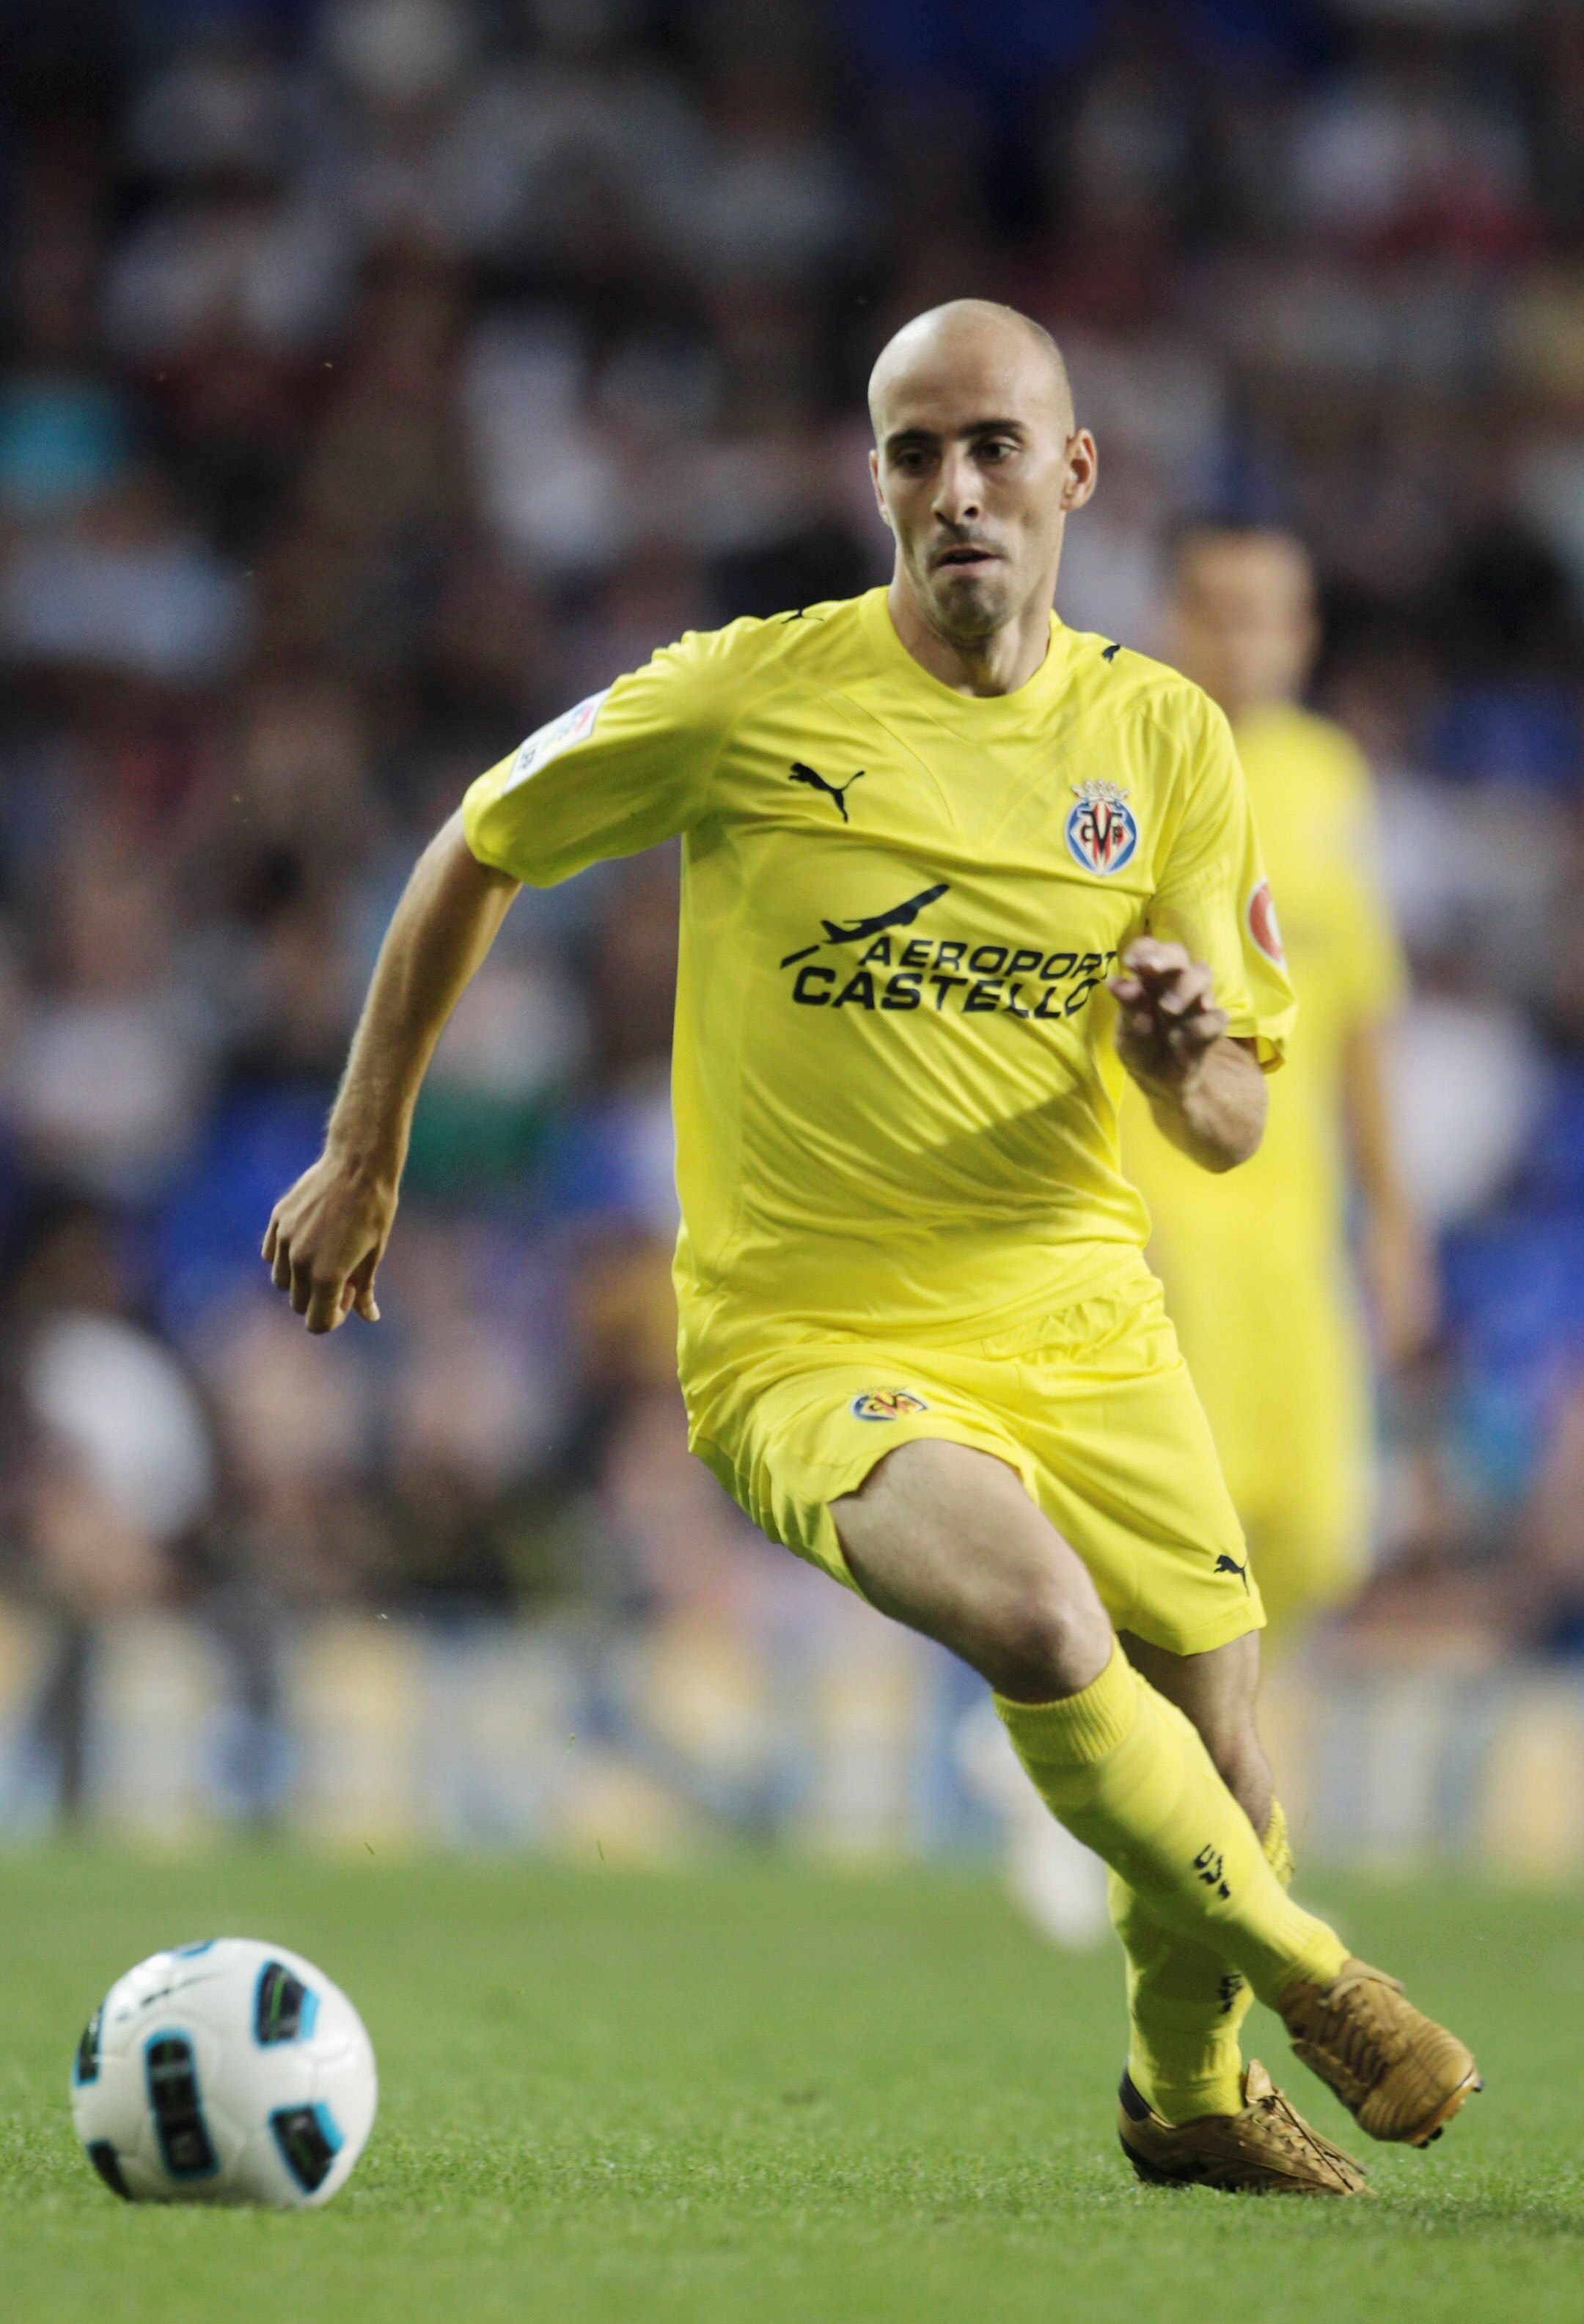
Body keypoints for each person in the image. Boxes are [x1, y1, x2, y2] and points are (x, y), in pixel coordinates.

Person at [263, 301, 1477, 2194]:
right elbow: (479, 840)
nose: (958, 489)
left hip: (1082, 1312)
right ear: (879, 482)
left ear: (1077, 472)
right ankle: (1323, 1981)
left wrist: (1183, 1062)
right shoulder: (749, 696)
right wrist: (365, 1147)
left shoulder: (1164, 739)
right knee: (1042, 1621)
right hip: (810, 1334)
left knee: (1227, 1753)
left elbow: (1237, 1116)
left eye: (995, 447)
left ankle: (1184, 2094)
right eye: (917, 453)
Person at [1121, 526, 1434, 1631]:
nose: (1244, 642)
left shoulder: (1327, 777)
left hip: (1297, 1222)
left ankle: (1171, 1727)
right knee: (1181, 1530)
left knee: (1318, 1534)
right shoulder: (1121, 764)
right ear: (1172, 619)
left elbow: (1360, 1017)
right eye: (1218, 612)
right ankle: (1088, 1725)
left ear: (1304, 634)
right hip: (1164, 1212)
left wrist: (1391, 1221)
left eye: (1269, 618)